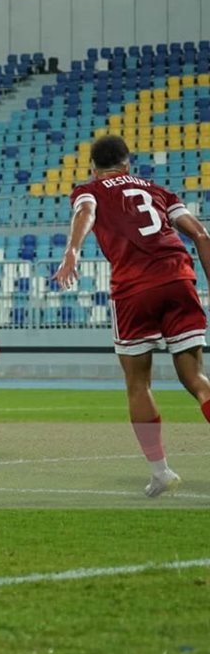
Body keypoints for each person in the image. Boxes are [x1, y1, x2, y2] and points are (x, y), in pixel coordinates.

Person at [54, 134, 210, 497]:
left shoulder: (90, 189)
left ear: (94, 168)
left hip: (134, 287)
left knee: (138, 384)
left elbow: (85, 212)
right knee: (197, 380)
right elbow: (201, 235)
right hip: (178, 277)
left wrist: (72, 252)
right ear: (127, 164)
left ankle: (161, 472)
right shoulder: (158, 190)